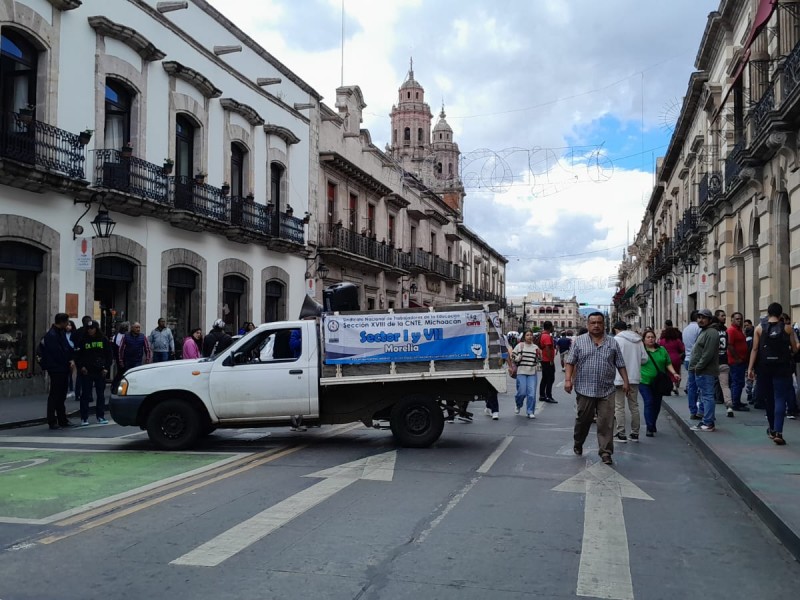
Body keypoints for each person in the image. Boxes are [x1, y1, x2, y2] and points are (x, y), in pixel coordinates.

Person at [565, 312, 629, 465]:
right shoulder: (579, 342)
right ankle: (578, 442)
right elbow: (570, 362)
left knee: (606, 422)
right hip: (584, 389)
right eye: (592, 322)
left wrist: (626, 381)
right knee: (583, 420)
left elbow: (620, 363)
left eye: (599, 322)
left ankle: (606, 452)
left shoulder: (612, 343)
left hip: (606, 389)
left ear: (604, 325)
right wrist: (568, 380)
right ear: (588, 325)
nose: (596, 325)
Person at [747, 302, 799, 445]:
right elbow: (794, 349)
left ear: (768, 313)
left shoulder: (759, 328)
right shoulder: (787, 328)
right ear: (781, 314)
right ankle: (779, 432)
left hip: (764, 368)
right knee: (780, 398)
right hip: (782, 367)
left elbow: (755, 349)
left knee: (769, 399)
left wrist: (750, 368)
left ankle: (771, 428)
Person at [611, 321, 647, 442]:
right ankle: (635, 433)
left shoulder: (615, 340)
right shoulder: (638, 340)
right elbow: (644, 359)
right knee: (634, 406)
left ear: (616, 329)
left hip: (619, 378)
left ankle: (621, 433)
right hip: (634, 377)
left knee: (619, 406)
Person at [640, 330, 680, 437]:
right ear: (644, 339)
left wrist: (674, 373)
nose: (650, 339)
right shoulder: (641, 351)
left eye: (652, 337)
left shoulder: (662, 350)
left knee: (657, 405)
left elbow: (668, 363)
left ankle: (653, 422)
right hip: (644, 382)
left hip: (658, 383)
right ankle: (649, 427)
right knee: (649, 402)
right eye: (648, 337)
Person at [40, 313, 75, 430]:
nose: (68, 324)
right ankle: (52, 420)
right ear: (63, 322)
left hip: (63, 368)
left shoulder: (60, 332)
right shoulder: (52, 335)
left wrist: (71, 359)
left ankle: (62, 419)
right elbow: (57, 353)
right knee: (55, 395)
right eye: (67, 322)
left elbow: (66, 348)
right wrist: (67, 361)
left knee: (61, 395)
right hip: (56, 369)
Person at [74, 320, 112, 425]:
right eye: (89, 328)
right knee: (85, 394)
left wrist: (106, 368)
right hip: (87, 371)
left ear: (96, 329)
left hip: (100, 371)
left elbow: (109, 355)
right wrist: (81, 367)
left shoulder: (103, 339)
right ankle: (84, 417)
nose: (90, 330)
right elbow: (78, 355)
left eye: (92, 328)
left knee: (100, 394)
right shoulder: (83, 340)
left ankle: (100, 416)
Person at [688, 309, 720, 432]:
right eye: (699, 317)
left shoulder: (711, 332)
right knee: (704, 395)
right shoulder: (704, 331)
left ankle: (708, 422)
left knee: (707, 396)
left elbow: (708, 353)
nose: (700, 320)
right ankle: (706, 420)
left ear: (709, 320)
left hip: (705, 371)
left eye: (703, 318)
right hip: (701, 370)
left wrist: (699, 366)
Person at [512, 330, 542, 418]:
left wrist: (539, 360)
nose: (529, 336)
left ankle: (530, 411)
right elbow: (513, 355)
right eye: (527, 335)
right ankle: (518, 404)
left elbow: (539, 358)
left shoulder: (535, 347)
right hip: (521, 372)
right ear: (524, 337)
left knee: (532, 394)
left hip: (532, 373)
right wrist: (517, 358)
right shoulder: (520, 346)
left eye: (531, 335)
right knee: (521, 392)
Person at [727, 312, 750, 412]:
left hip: (741, 361)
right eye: (737, 319)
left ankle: (737, 401)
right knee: (737, 382)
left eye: (740, 319)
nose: (739, 321)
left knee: (739, 382)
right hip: (736, 361)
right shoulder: (731, 330)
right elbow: (730, 345)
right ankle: (735, 403)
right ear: (732, 319)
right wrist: (737, 358)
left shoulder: (739, 330)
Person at [713, 310, 735, 418]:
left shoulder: (712, 331)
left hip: (713, 362)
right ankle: (729, 406)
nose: (724, 317)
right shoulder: (726, 331)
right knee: (725, 386)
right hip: (724, 360)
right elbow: (729, 345)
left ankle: (707, 410)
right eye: (722, 316)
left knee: (708, 386)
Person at [683, 310, 701, 419]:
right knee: (701, 387)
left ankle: (693, 410)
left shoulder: (685, 329)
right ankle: (699, 409)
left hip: (687, 358)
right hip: (697, 359)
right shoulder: (698, 329)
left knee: (692, 387)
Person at [658, 323, 685, 395]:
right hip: (676, 358)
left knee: (667, 373)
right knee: (675, 372)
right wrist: (679, 355)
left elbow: (659, 349)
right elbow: (682, 349)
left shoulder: (662, 340)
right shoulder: (677, 340)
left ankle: (670, 386)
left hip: (666, 358)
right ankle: (675, 385)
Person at [538, 321, 557, 403]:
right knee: (550, 378)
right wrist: (551, 360)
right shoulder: (547, 336)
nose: (553, 328)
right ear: (550, 327)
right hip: (547, 360)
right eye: (552, 327)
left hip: (544, 360)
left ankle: (542, 395)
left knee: (545, 378)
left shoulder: (542, 335)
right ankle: (548, 396)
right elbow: (548, 349)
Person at [111, 321, 129, 394]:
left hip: (124, 357)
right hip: (120, 357)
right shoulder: (117, 336)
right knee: (122, 373)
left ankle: (117, 387)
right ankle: (117, 387)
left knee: (122, 373)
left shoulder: (117, 336)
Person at [743, 318, 756, 405]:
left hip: (751, 362)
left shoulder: (751, 339)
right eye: (745, 326)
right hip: (750, 362)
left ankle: (751, 394)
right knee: (751, 379)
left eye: (747, 325)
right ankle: (751, 395)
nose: (746, 327)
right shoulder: (749, 339)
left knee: (750, 379)